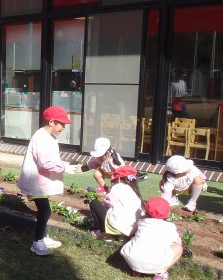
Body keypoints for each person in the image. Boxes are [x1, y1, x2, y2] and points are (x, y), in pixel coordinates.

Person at [17, 106, 78, 255]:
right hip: (35, 181)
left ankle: (43, 238)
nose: (63, 127)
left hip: (41, 181)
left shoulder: (49, 136)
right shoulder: (41, 137)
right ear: (51, 122)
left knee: (44, 209)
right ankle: (37, 242)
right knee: (45, 210)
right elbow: (44, 163)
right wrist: (64, 167)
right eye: (61, 124)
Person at [120, 197, 183, 280]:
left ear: (146, 210)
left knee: (134, 239)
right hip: (155, 262)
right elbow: (177, 242)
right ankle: (161, 273)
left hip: (132, 259)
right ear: (168, 213)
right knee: (179, 248)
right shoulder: (170, 227)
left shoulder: (142, 222)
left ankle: (137, 270)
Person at [88, 165, 144, 240]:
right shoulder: (135, 193)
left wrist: (104, 199)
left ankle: (104, 233)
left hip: (116, 226)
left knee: (94, 203)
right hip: (130, 231)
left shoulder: (119, 186)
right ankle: (121, 236)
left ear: (119, 179)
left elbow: (108, 202)